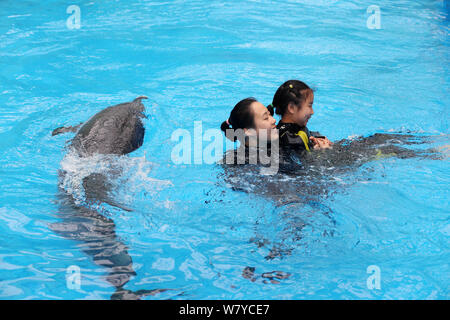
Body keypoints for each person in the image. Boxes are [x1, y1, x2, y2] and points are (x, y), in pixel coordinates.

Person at [268, 80, 332, 154]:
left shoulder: (296, 128)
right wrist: (324, 152)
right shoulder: (290, 140)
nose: (312, 112)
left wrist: (320, 139)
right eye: (309, 106)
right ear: (292, 108)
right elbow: (308, 164)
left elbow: (308, 134)